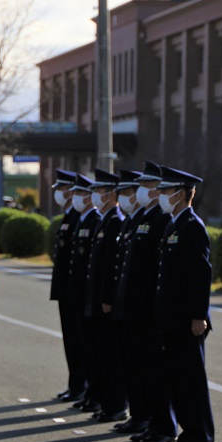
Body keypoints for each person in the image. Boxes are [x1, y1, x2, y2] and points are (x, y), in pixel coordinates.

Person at [112, 161, 176, 442]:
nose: (138, 192)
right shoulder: (139, 218)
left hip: (147, 308)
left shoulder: (162, 219)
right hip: (132, 307)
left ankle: (161, 425)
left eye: (144, 187)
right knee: (136, 367)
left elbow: (157, 269)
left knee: (153, 371)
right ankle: (142, 417)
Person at [154, 165, 215, 442]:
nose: (161, 195)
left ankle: (200, 441)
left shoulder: (192, 226)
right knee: (177, 383)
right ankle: (187, 436)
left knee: (191, 384)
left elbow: (200, 275)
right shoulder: (173, 224)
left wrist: (198, 316)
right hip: (171, 319)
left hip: (187, 321)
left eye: (166, 191)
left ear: (181, 193)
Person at [83, 169, 128, 423]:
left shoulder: (115, 221)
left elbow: (113, 265)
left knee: (111, 356)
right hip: (98, 300)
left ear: (111, 194)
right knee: (100, 354)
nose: (95, 195)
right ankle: (106, 402)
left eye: (99, 191)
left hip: (106, 303)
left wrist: (107, 298)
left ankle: (116, 405)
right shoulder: (105, 220)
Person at [66, 173, 102, 413]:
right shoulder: (80, 219)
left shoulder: (97, 219)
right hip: (77, 293)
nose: (75, 197)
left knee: (94, 349)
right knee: (78, 344)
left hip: (89, 295)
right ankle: (84, 390)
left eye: (80, 193)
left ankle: (94, 393)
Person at [49, 169, 85, 403]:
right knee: (71, 342)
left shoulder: (80, 217)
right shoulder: (70, 217)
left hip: (77, 292)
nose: (60, 194)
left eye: (63, 189)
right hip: (66, 289)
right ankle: (75, 384)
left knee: (80, 343)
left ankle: (81, 385)